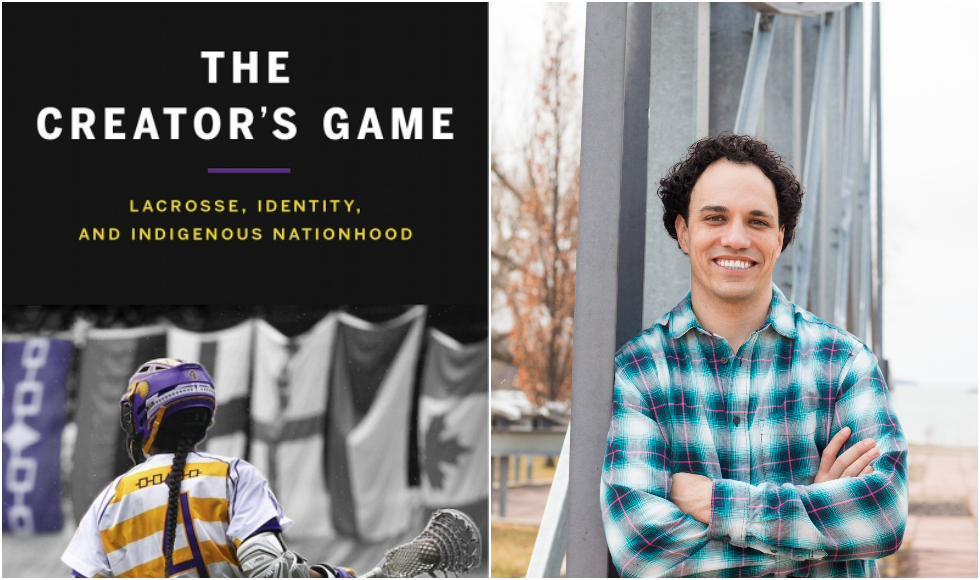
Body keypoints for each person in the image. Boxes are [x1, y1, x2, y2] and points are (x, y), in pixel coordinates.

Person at [601, 134, 907, 577]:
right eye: (715, 217)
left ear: (780, 237)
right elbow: (642, 547)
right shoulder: (641, 370)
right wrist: (816, 528)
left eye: (758, 222)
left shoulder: (844, 363)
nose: (737, 238)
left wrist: (714, 504)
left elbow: (882, 515)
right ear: (684, 232)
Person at [61, 358, 355, 578]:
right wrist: (334, 575)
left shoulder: (109, 500)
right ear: (206, 417)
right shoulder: (233, 475)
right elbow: (268, 570)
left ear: (142, 416)